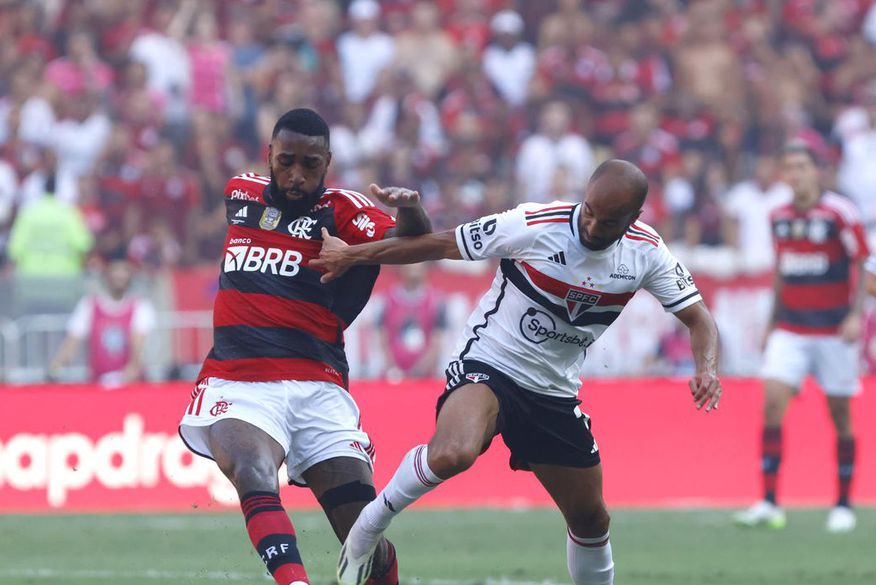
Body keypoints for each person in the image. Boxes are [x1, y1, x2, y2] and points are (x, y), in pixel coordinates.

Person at [314, 159, 722, 585]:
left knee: (591, 518)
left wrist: (707, 368)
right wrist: (352, 255)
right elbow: (438, 245)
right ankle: (366, 528)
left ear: (634, 218)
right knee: (454, 452)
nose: (592, 224)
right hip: (490, 362)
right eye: (589, 210)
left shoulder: (647, 252)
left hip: (554, 390)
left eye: (608, 220)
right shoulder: (535, 223)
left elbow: (700, 319)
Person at [178, 108, 431, 585]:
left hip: (319, 384)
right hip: (238, 378)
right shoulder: (241, 193)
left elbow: (417, 242)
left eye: (310, 165)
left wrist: (409, 210)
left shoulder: (345, 210)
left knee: (360, 533)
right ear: (269, 155)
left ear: (328, 162)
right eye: (286, 161)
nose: (296, 176)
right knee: (253, 470)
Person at [735, 143, 869, 534]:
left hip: (834, 331)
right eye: (789, 167)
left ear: (817, 172)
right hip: (791, 329)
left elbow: (863, 261)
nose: (795, 174)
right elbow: (782, 268)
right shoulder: (778, 217)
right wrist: (771, 322)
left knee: (840, 416)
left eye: (801, 166)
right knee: (772, 403)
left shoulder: (839, 213)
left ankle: (843, 503)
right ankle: (769, 502)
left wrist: (857, 315)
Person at [48, 249, 155, 386]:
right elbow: (71, 344)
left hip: (130, 386)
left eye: (125, 271)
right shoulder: (88, 306)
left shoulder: (141, 307)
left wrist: (122, 378)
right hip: (98, 385)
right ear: (107, 272)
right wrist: (56, 368)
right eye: (116, 270)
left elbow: (137, 351)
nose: (120, 276)